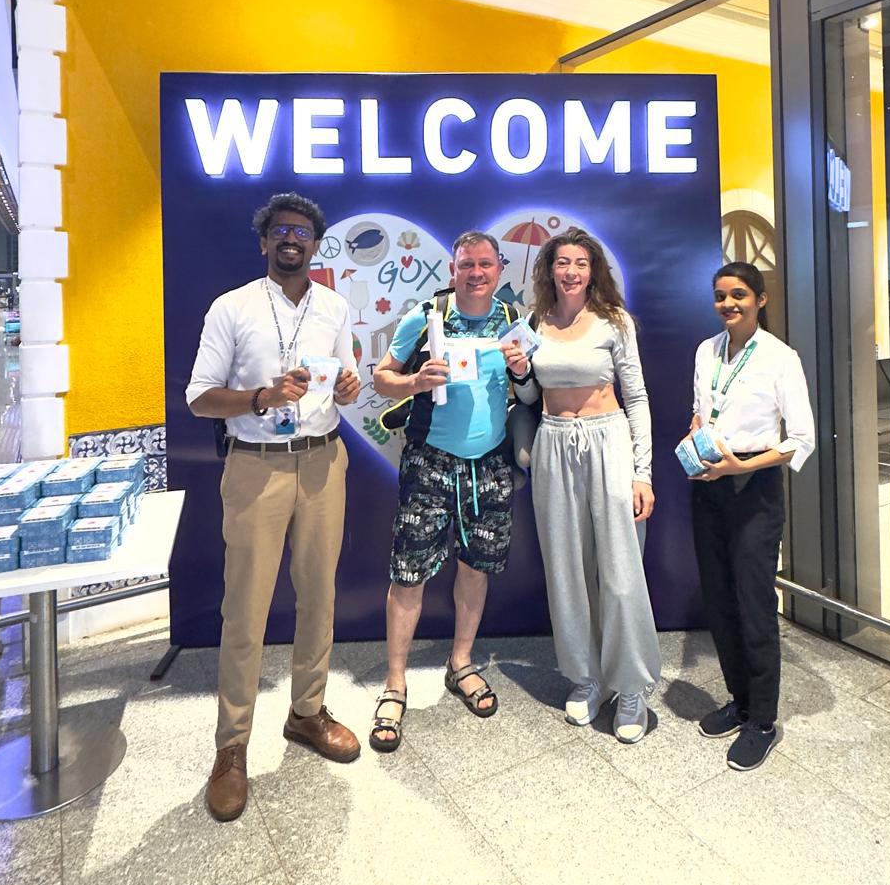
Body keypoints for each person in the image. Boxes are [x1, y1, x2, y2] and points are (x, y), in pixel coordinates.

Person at [185, 191, 363, 822]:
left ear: (315, 244)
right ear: (264, 242)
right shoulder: (232, 307)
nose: (292, 239)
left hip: (323, 460)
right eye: (281, 230)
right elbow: (200, 398)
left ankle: (306, 712)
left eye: (303, 232)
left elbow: (346, 379)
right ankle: (231, 747)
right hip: (255, 466)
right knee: (246, 608)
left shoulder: (334, 306)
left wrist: (349, 385)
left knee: (319, 595)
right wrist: (261, 397)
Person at [368, 231, 530, 751]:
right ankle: (395, 683)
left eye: (485, 264)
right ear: (453, 270)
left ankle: (460, 662)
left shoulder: (515, 322)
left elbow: (531, 392)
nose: (476, 273)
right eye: (466, 265)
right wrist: (415, 382)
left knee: (476, 568)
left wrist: (523, 370)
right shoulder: (424, 317)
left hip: (491, 463)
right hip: (429, 462)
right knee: (408, 573)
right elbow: (381, 378)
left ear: (499, 269)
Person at [508, 228, 661, 743]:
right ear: (549, 270)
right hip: (553, 443)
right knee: (567, 570)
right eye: (562, 263)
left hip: (608, 442)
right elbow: (530, 398)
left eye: (580, 263)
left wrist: (643, 472)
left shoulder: (615, 321)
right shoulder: (535, 322)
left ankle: (631, 685)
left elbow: (636, 397)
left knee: (620, 570)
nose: (571, 271)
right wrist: (519, 372)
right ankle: (587, 677)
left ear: (593, 270)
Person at [687, 261, 815, 772]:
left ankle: (762, 720)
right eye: (721, 295)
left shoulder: (781, 358)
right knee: (719, 600)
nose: (728, 304)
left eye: (739, 294)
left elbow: (800, 438)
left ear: (760, 300)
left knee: (754, 603)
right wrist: (695, 435)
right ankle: (739, 702)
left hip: (753, 485)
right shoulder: (706, 350)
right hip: (709, 482)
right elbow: (702, 410)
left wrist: (742, 466)